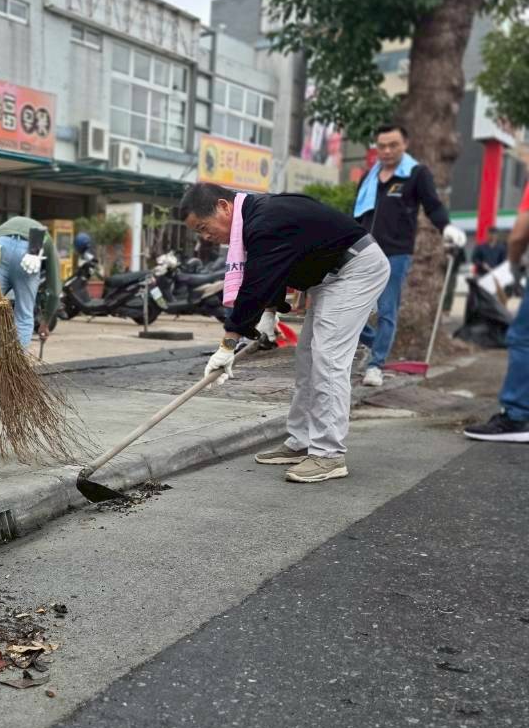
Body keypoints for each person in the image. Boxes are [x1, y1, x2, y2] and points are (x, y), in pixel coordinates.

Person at [180, 183, 390, 484]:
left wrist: (227, 346)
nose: (205, 236)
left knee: (328, 359)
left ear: (224, 207)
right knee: (307, 358)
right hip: (330, 276)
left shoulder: (263, 221)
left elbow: (254, 287)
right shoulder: (256, 219)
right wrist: (269, 314)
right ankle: (302, 441)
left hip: (356, 269)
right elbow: (271, 272)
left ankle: (328, 455)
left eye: (203, 227)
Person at [352, 123, 466, 386]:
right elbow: (356, 216)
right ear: (376, 147)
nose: (387, 150)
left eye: (393, 145)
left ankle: (376, 365)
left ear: (405, 145)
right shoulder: (368, 178)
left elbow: (434, 206)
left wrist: (446, 227)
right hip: (363, 252)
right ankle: (373, 344)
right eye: (382, 146)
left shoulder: (415, 174)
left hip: (395, 253)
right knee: (350, 310)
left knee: (386, 311)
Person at [464, 182, 529, 442]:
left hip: (501, 277)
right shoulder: (482, 247)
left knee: (523, 338)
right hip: (486, 278)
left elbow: (519, 235)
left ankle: (517, 416)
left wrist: (512, 266)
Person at [0, 216, 62, 367]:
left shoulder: (2, 227)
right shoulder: (47, 240)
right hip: (30, 250)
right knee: (24, 315)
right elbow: (54, 291)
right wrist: (45, 322)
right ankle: (15, 371)